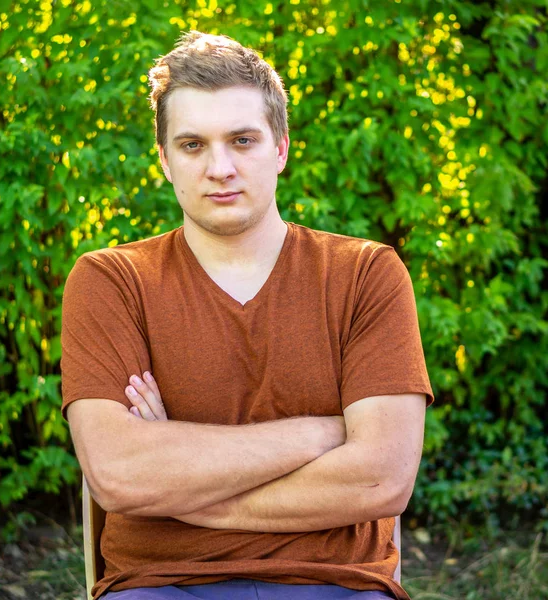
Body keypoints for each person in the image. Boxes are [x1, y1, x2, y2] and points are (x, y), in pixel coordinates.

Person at [61, 31, 434, 600]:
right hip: (161, 586)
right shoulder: (112, 281)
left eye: (242, 140)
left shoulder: (366, 274)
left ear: (281, 147)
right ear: (163, 159)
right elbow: (120, 475)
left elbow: (381, 478)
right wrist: (323, 433)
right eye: (192, 145)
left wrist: (181, 482)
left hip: (339, 585)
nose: (220, 167)